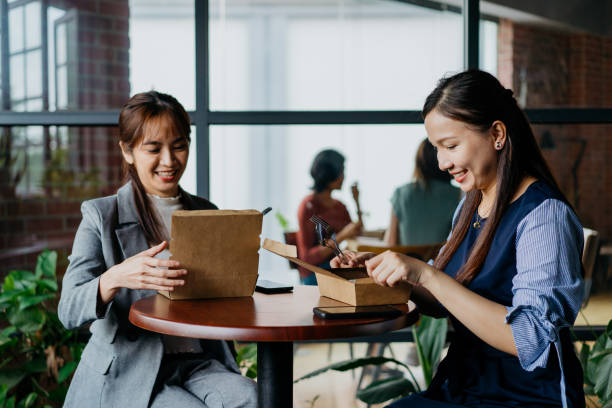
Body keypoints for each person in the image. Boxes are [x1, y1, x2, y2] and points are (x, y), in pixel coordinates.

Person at [332, 70, 585, 408]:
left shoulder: (543, 216)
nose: (442, 162)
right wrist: (393, 274)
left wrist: (426, 273)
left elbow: (531, 339)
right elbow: (440, 300)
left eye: (450, 146)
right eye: (436, 148)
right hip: (467, 385)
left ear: (497, 134)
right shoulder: (471, 206)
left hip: (525, 397)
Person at [58, 91, 257, 408]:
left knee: (253, 398)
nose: (169, 160)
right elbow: (68, 309)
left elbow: (222, 295)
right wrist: (115, 277)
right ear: (128, 151)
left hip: (198, 361)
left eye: (179, 146)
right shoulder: (101, 215)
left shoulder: (206, 211)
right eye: (154, 148)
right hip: (132, 367)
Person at [296, 149, 362, 285]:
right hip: (314, 273)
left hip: (334, 268)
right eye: (341, 171)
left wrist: (357, 201)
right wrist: (342, 235)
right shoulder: (308, 206)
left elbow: (357, 232)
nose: (344, 176)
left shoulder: (339, 206)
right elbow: (307, 257)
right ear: (329, 174)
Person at [384, 138, 460, 246]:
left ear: (419, 162)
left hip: (405, 262)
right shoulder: (460, 194)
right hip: (441, 262)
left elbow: (390, 243)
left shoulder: (400, 193)